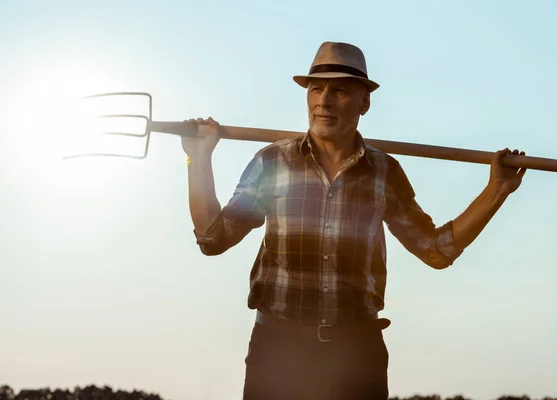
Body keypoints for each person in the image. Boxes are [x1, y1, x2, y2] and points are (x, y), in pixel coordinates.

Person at [181, 41, 527, 400]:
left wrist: (496, 191)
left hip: (358, 357)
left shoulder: (384, 172)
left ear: (364, 102)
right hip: (279, 353)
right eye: (316, 88)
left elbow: (436, 251)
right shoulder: (273, 163)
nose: (324, 101)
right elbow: (212, 239)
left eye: (340, 90)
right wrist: (198, 159)